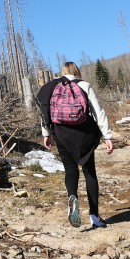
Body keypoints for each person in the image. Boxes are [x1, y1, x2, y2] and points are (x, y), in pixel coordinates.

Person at [36, 61, 113, 229]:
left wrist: (46, 134)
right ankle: (94, 216)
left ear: (62, 72)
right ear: (77, 72)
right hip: (84, 133)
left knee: (70, 170)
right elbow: (98, 112)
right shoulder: (84, 85)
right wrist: (107, 136)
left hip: (61, 132)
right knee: (89, 172)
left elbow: (44, 110)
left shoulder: (52, 86)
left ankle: (73, 197)